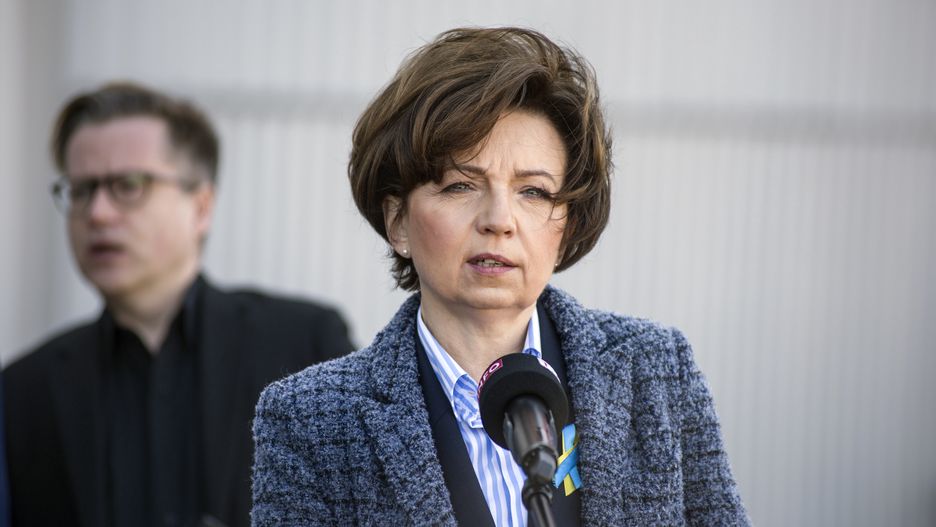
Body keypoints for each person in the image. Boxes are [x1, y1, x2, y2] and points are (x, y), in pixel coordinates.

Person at [252, 27, 749, 526]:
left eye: (533, 192)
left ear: (568, 224)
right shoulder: (309, 419)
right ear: (398, 220)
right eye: (460, 185)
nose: (499, 220)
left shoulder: (656, 372)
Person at [3, 82, 354, 527]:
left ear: (201, 207)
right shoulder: (23, 392)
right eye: (82, 190)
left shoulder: (305, 348)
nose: (98, 213)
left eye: (128, 185)